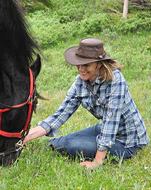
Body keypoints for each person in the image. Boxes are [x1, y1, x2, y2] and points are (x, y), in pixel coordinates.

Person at [24, 37, 148, 169]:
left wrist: (97, 162)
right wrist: (25, 137)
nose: (81, 69)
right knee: (58, 143)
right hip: (101, 129)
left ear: (99, 64)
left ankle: (97, 151)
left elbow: (110, 123)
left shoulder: (115, 80)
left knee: (71, 145)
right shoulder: (80, 82)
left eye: (87, 65)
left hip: (128, 141)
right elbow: (61, 114)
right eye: (79, 64)